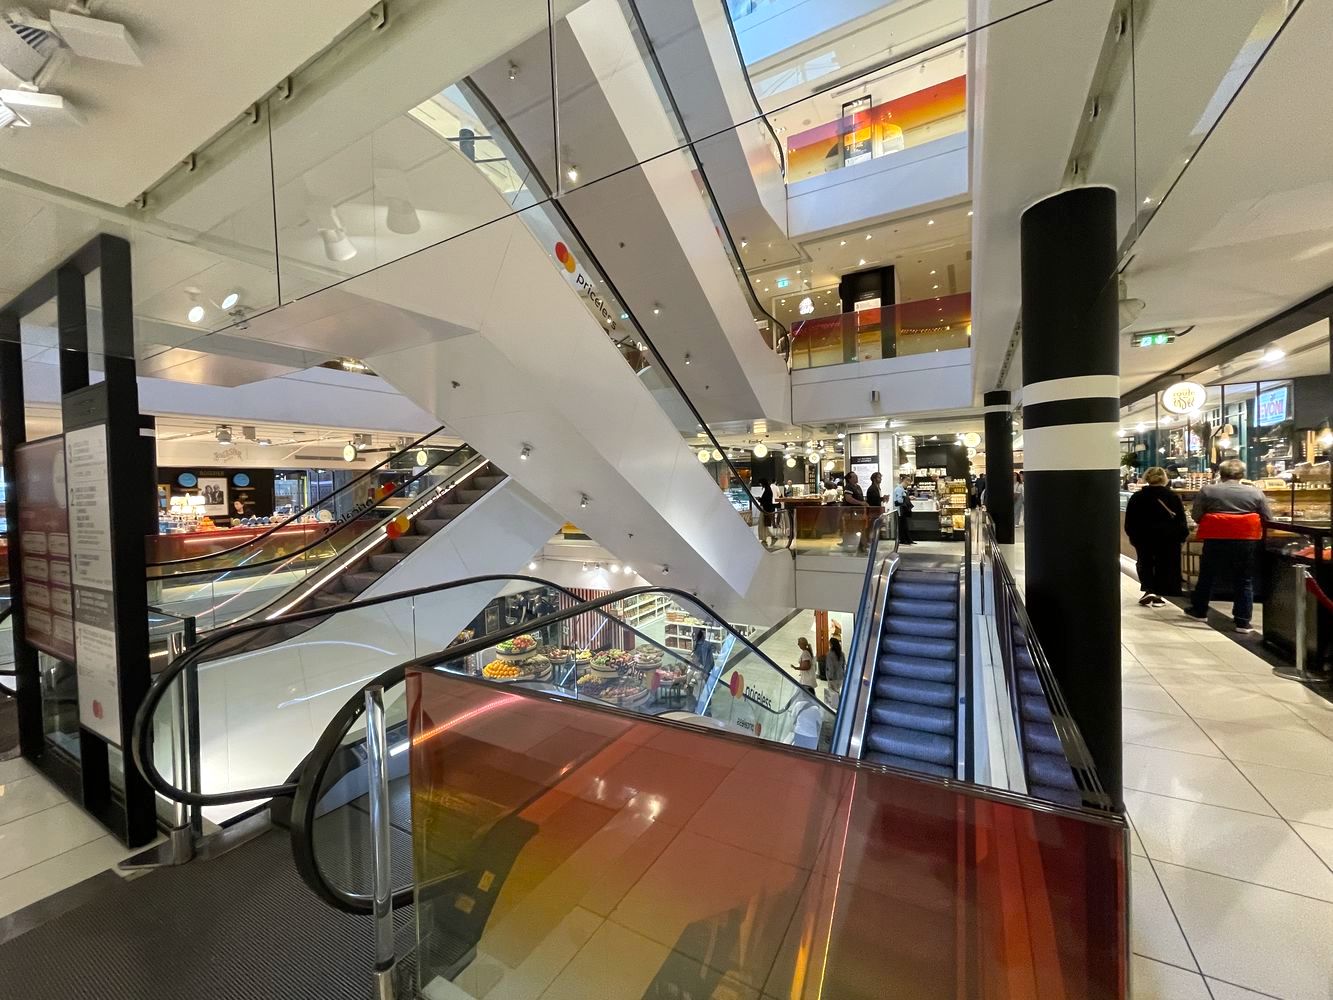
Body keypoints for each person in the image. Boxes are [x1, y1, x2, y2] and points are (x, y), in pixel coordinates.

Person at [1186, 459, 1273, 633]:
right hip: (1245, 540)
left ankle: (1200, 611)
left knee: (1207, 575)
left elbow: (1197, 515)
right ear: (1242, 474)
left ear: (1221, 473)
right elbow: (1268, 517)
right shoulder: (1255, 492)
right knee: (1244, 579)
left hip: (1215, 538)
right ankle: (1242, 621)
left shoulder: (1208, 490)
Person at [1123, 467, 1188, 608]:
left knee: (1145, 562)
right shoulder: (1172, 497)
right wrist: (1182, 536)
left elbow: (1130, 521)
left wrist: (1133, 536)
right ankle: (1158, 595)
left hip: (1143, 537)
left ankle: (1149, 588)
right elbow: (1181, 520)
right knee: (1164, 564)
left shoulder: (1137, 497)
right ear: (1165, 479)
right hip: (1168, 537)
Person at [824, 636, 846, 709]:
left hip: (833, 677)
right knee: (837, 691)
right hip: (840, 676)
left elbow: (830, 667)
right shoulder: (841, 653)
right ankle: (840, 705)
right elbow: (844, 665)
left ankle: (834, 707)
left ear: (832, 644)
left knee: (832, 693)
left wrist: (830, 677)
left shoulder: (830, 654)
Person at [893, 475, 915, 545]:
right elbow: (899, 500)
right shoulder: (900, 489)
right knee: (903, 525)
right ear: (905, 481)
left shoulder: (900, 489)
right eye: (908, 481)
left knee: (903, 525)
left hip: (901, 510)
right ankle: (905, 540)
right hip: (900, 510)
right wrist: (907, 498)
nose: (909, 484)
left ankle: (906, 540)